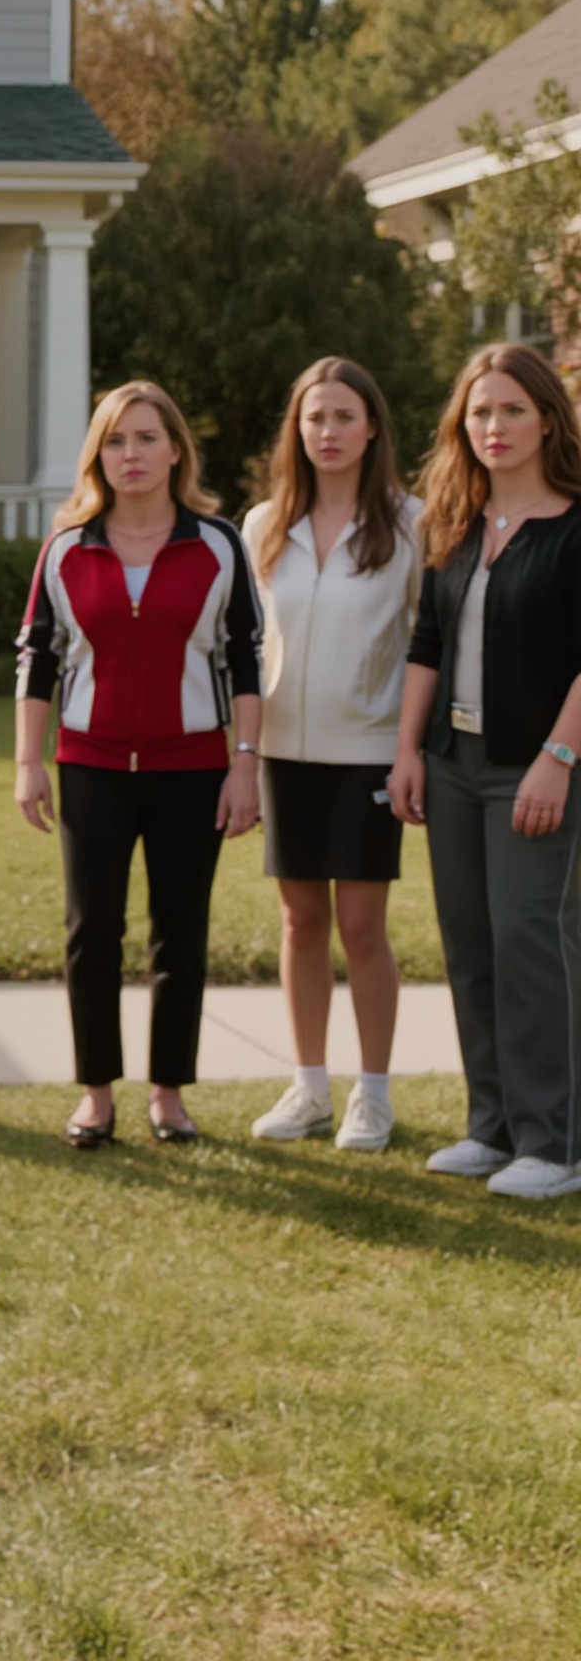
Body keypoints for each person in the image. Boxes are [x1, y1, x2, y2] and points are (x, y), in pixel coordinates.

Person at [14, 381, 262, 1149]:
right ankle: (96, 1093)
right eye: (116, 441)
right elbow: (38, 659)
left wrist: (244, 765)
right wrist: (29, 760)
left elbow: (245, 659)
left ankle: (168, 1092)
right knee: (93, 931)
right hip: (89, 764)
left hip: (193, 767)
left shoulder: (218, 545)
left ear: (176, 449)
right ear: (99, 456)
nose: (132, 455)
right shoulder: (66, 549)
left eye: (147, 438)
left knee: (180, 934)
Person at [389, 341, 581, 1201]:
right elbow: (426, 645)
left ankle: (557, 1142)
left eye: (510, 409)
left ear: (546, 417)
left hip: (537, 767)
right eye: (479, 412)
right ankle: (491, 1127)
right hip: (454, 762)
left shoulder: (576, 525)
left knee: (531, 947)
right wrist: (408, 751)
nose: (494, 427)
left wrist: (559, 757)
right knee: (470, 950)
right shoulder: (453, 524)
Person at [242, 359, 422, 1153]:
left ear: (372, 426)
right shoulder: (263, 525)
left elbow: (428, 645)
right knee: (300, 918)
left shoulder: (410, 523)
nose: (328, 433)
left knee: (362, 923)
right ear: (297, 430)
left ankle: (372, 1096)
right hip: (284, 751)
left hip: (371, 752)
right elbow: (247, 648)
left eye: (344, 417)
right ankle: (309, 1087)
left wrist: (408, 750)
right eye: (315, 419)